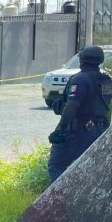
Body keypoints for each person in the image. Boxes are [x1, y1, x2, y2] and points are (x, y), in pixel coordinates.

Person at [47, 45, 112, 182]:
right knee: (89, 170)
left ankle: (61, 200)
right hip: (97, 130)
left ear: (82, 59)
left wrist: (59, 130)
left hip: (77, 131)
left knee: (55, 165)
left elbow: (72, 106)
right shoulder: (106, 80)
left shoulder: (80, 79)